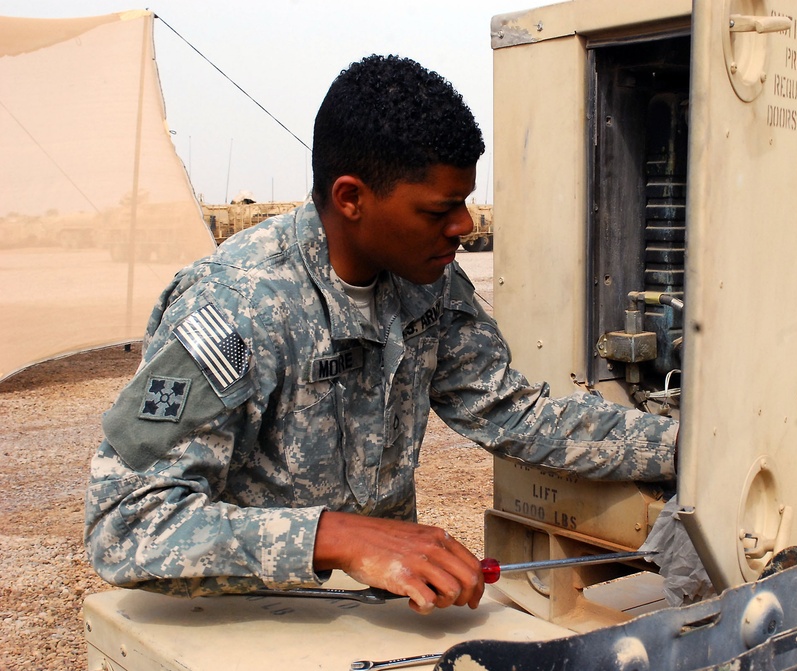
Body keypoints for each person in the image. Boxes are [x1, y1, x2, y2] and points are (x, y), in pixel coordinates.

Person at [85, 54, 678, 615]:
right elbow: (125, 522)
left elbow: (512, 413)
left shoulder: (426, 284)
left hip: (381, 619)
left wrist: (684, 449)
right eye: (436, 210)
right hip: (251, 623)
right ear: (351, 199)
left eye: (466, 203)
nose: (464, 227)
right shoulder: (235, 311)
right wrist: (334, 537)